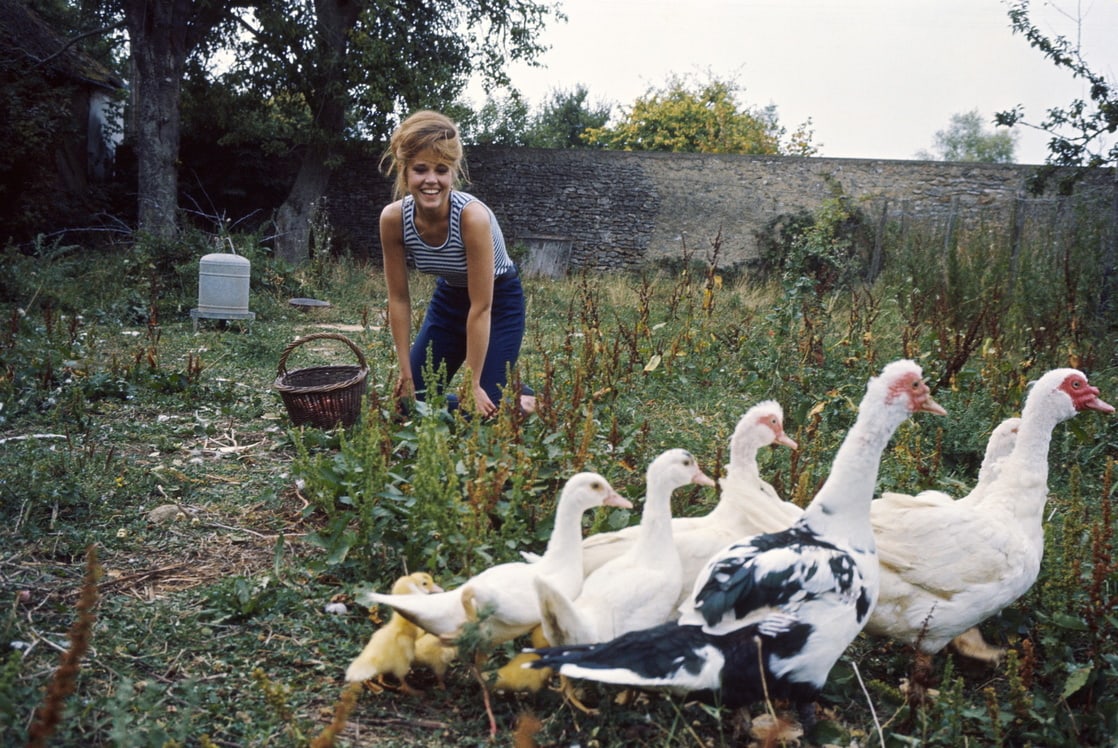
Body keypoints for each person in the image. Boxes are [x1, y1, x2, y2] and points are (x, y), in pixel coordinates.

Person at [379, 110, 535, 417]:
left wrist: (473, 382)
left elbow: (481, 307)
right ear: (404, 170)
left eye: (441, 170)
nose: (431, 180)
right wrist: (406, 372)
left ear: (453, 172)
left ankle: (519, 399)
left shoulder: (471, 217)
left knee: (481, 410)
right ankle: (501, 393)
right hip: (449, 299)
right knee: (408, 406)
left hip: (498, 301)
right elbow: (398, 298)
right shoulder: (393, 219)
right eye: (420, 169)